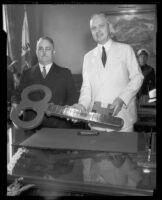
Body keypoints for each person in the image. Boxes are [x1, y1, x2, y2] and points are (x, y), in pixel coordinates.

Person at [73, 12, 144, 132]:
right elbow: (86, 89)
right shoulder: (88, 57)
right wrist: (81, 106)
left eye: (101, 26)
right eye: (93, 28)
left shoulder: (126, 50)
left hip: (122, 121)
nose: (98, 31)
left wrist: (122, 98)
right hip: (96, 122)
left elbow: (138, 77)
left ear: (109, 26)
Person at [12, 36, 77, 129]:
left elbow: (73, 98)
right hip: (30, 127)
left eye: (47, 49)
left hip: (58, 127)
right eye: (40, 49)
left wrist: (69, 111)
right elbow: (18, 95)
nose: (44, 52)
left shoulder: (65, 73)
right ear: (36, 52)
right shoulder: (26, 73)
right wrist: (15, 104)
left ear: (53, 51)